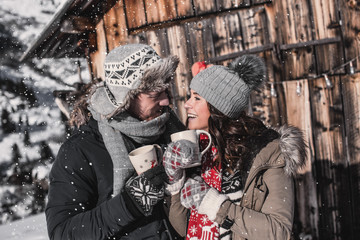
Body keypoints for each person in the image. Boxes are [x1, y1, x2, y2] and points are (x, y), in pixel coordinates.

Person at [46, 44, 186, 240]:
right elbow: (62, 233)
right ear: (126, 98)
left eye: (166, 91)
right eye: (155, 94)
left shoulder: (169, 127)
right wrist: (129, 204)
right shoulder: (81, 150)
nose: (166, 102)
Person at [163, 55, 307, 240]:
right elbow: (184, 229)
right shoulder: (196, 152)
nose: (187, 104)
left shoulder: (266, 153)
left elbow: (279, 232)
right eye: (190, 96)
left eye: (197, 98)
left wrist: (216, 206)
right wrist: (176, 182)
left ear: (218, 108)